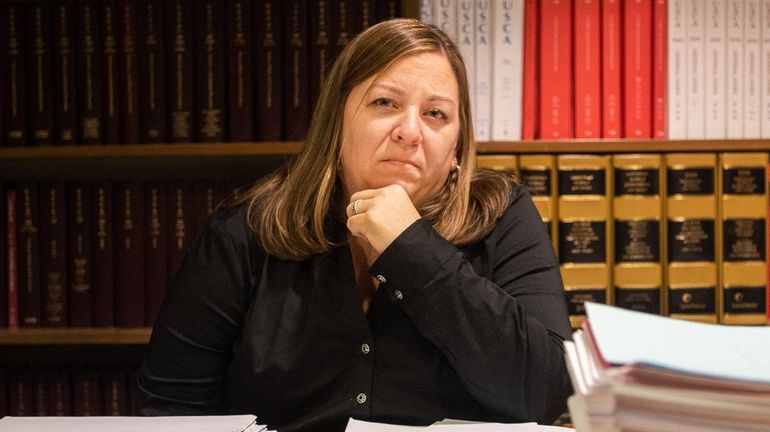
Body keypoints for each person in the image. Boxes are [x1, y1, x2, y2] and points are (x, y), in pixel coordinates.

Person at [139, 18, 572, 431]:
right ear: (336, 122)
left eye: (436, 114)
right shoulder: (244, 232)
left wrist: (413, 249)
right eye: (385, 103)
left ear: (457, 148)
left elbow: (547, 394)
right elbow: (173, 411)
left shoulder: (502, 215)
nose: (409, 131)